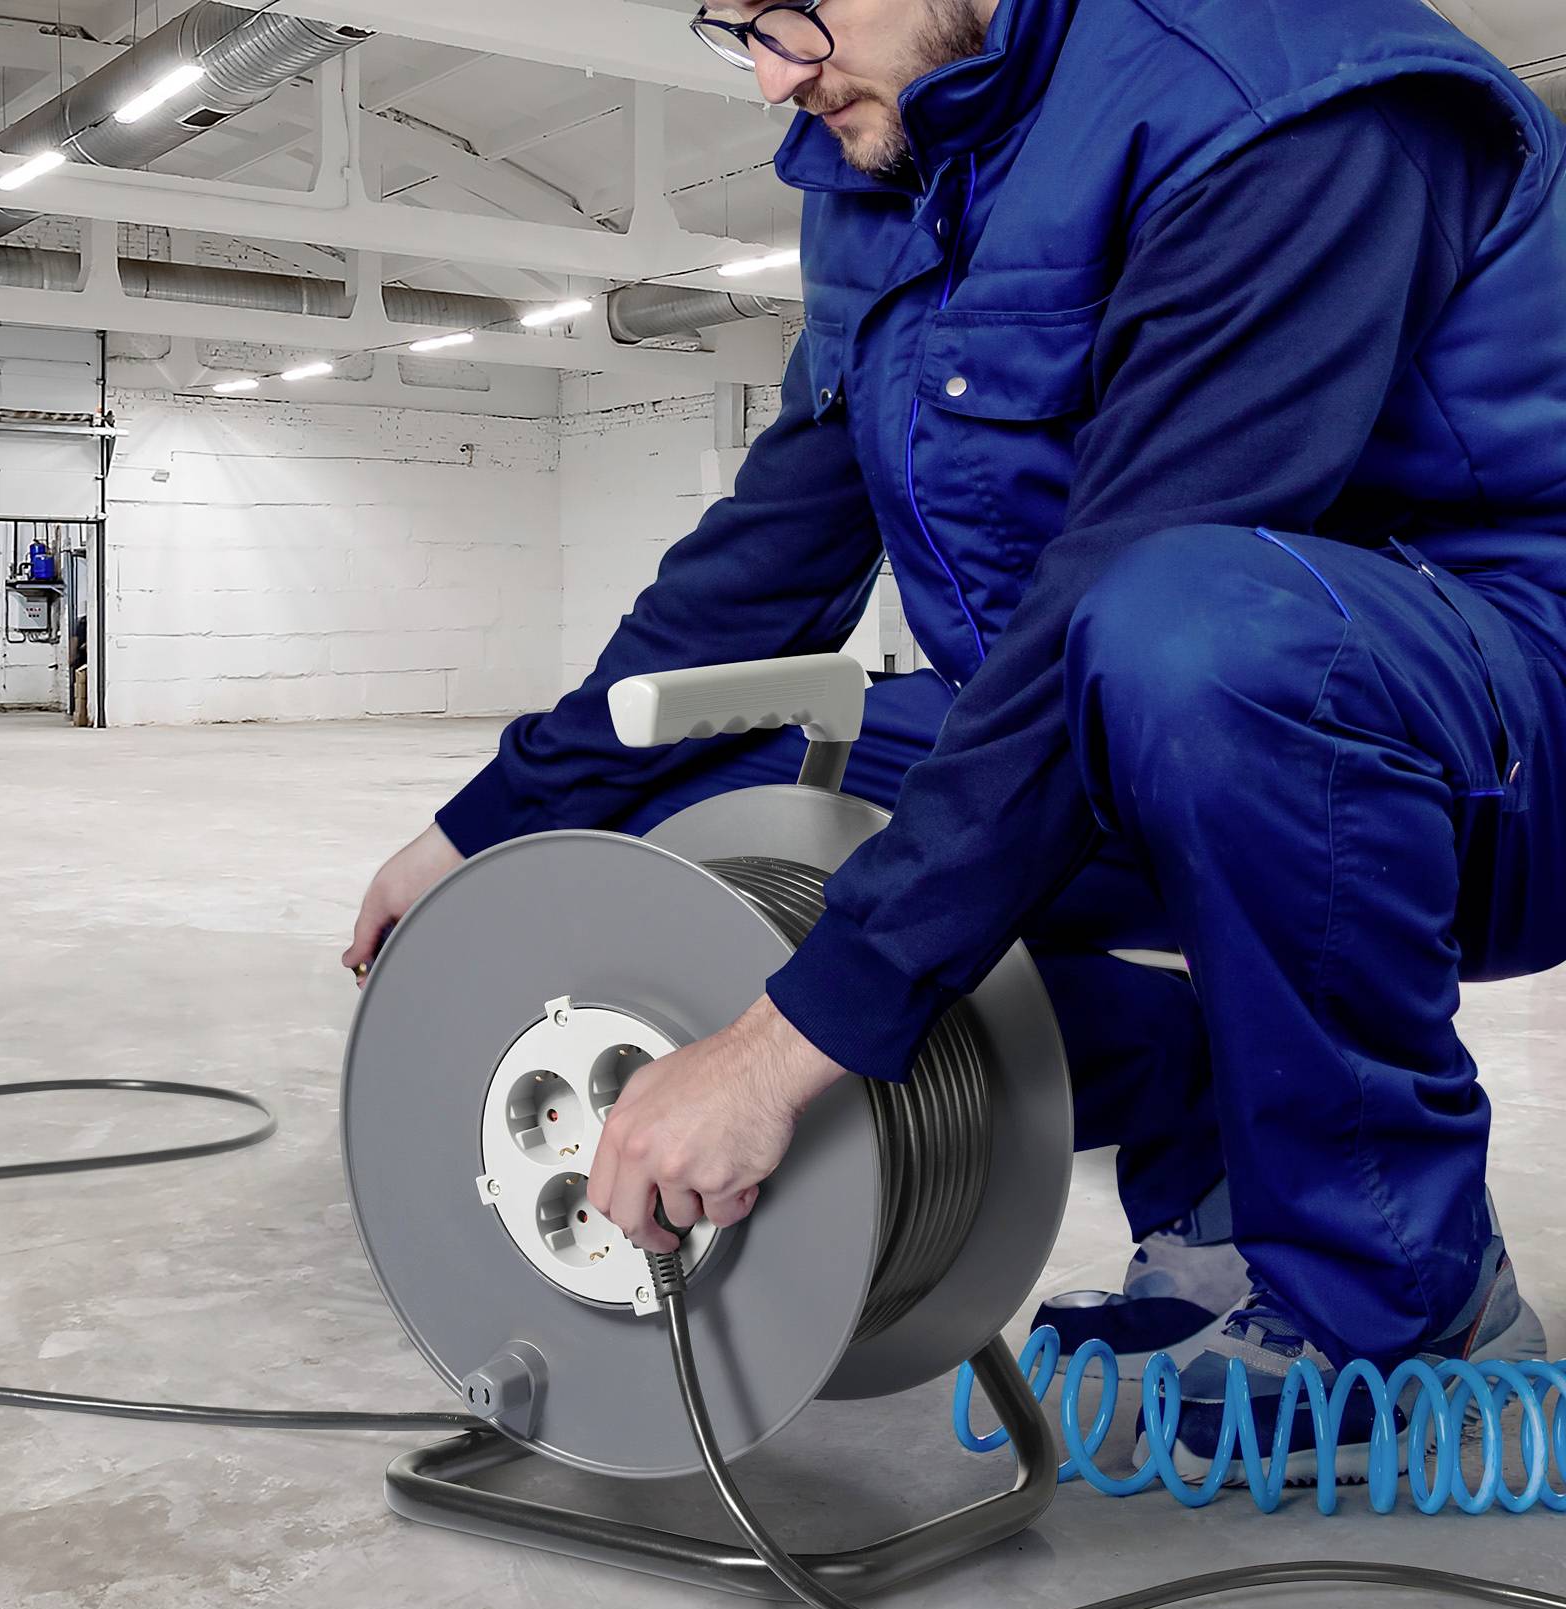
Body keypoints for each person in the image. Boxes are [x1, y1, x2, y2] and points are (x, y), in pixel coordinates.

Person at [344, 0, 1566, 1482]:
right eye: (736, 29)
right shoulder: (878, 161)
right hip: (1150, 700)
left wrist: (779, 1049)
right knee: (704, 797)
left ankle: (1405, 1305)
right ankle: (1221, 1166)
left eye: (797, 13)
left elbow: (1130, 591)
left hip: (1491, 729)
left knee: (1187, 635)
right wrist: (485, 827)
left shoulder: (1278, 103)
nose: (777, 79)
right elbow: (770, 557)